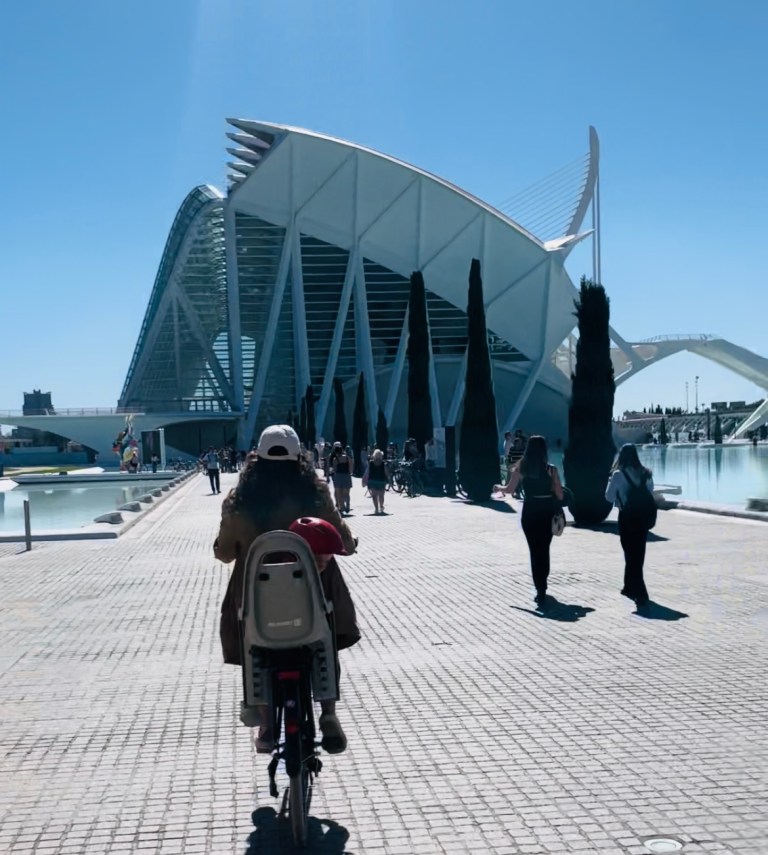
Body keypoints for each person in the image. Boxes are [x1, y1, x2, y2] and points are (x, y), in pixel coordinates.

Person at [213, 424, 359, 753]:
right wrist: (349, 542)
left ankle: (265, 725)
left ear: (258, 458)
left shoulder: (239, 500)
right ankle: (329, 712)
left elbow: (224, 553)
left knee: (254, 645)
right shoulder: (315, 493)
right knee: (325, 637)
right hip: (310, 593)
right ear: (299, 458)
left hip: (257, 597)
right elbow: (341, 538)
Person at [494, 435, 563, 608]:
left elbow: (510, 489)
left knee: (534, 550)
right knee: (544, 548)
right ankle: (543, 584)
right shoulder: (551, 469)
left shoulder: (522, 467)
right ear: (544, 450)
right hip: (547, 510)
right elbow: (560, 495)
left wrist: (498, 487)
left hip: (530, 510)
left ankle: (539, 587)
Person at [605, 444, 655, 607]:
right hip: (643, 516)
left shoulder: (618, 475)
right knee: (638, 553)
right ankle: (628, 586)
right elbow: (650, 491)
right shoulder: (646, 473)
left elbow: (608, 497)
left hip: (626, 517)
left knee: (630, 553)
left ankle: (641, 593)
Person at [362, 448, 390, 514]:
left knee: (374, 496)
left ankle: (376, 509)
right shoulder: (383, 463)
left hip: (372, 481)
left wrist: (364, 479)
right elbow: (386, 473)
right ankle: (381, 507)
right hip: (381, 481)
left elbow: (367, 472)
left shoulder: (371, 463)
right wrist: (390, 480)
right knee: (381, 495)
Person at [330, 445, 353, 514]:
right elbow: (351, 467)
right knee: (346, 493)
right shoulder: (347, 458)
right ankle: (348, 505)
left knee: (339, 494)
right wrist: (349, 473)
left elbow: (334, 469)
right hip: (346, 476)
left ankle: (342, 507)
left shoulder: (335, 459)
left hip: (338, 476)